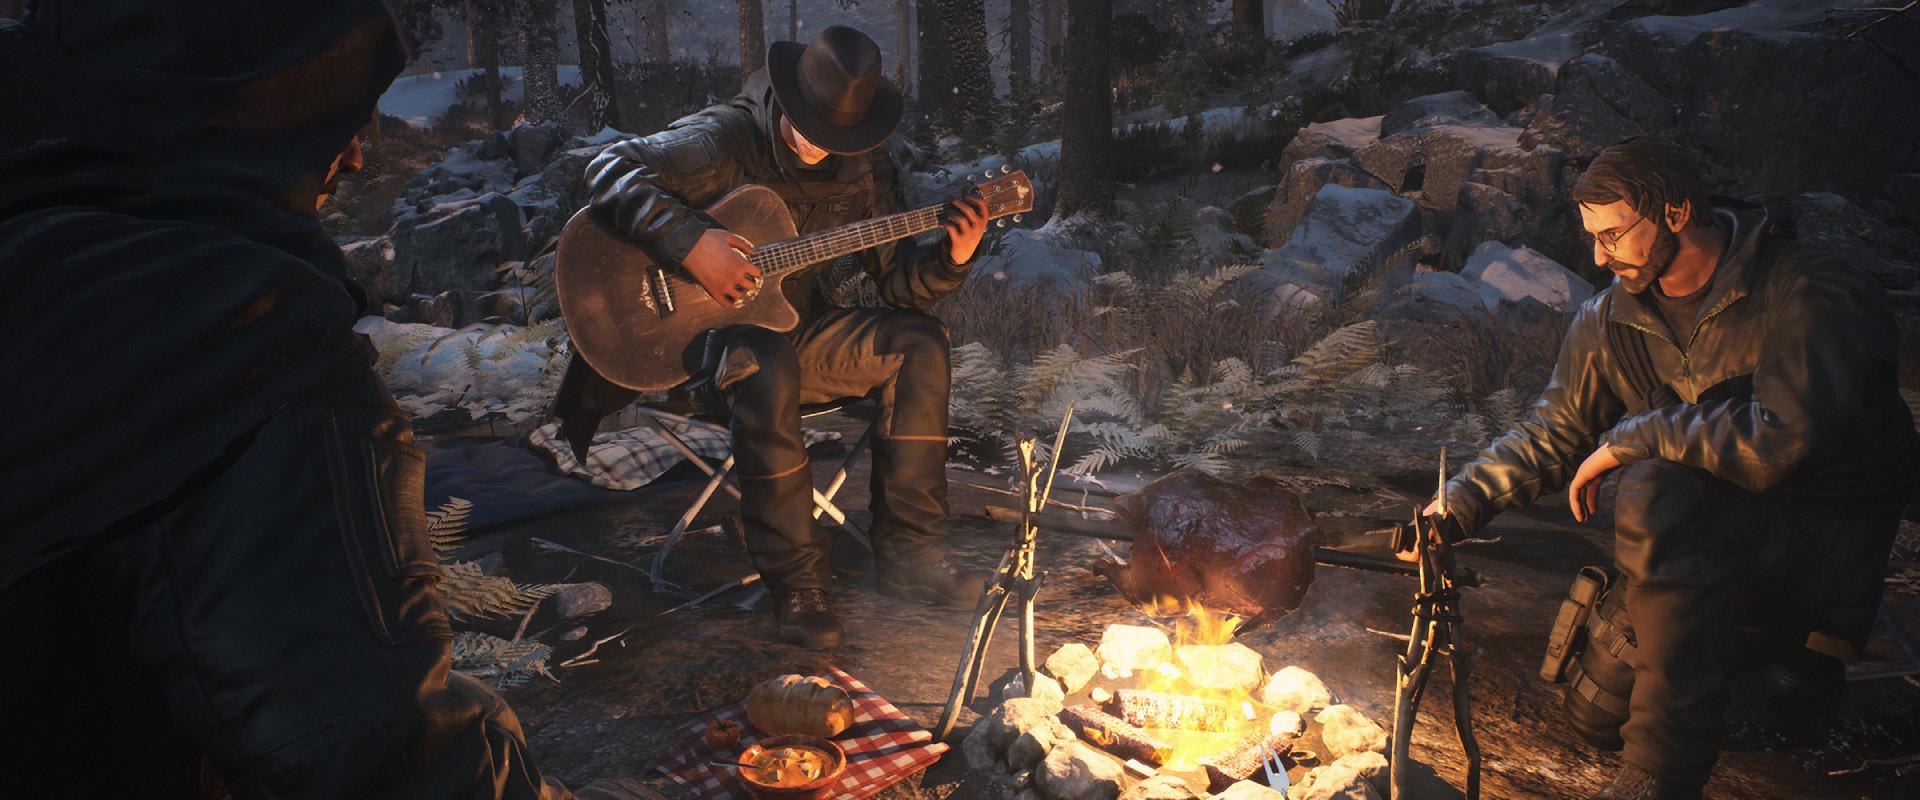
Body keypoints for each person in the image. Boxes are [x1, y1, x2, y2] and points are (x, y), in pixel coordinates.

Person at [0, 3, 640, 797]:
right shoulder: (232, 334)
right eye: (336, 116)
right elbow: (381, 751)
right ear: (258, 107)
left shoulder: (39, 228)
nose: (359, 159)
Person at [1416, 138, 1918, 800]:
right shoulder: (1610, 319)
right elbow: (1553, 430)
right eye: (1591, 235)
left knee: (1654, 480)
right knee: (1595, 714)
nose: (1598, 255)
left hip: (1812, 553)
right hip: (1691, 550)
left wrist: (1638, 434)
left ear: (1678, 213)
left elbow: (1781, 442)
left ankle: (1662, 777)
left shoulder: (1811, 290)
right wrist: (1455, 507)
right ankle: (1750, 672)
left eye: (1615, 233)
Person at [553, 25, 992, 649]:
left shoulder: (862, 165)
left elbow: (898, 282)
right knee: (765, 360)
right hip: (700, 349)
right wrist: (693, 244)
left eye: (839, 133)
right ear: (787, 97)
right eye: (811, 123)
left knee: (920, 342)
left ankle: (913, 560)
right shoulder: (721, 141)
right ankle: (800, 586)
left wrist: (953, 256)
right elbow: (608, 167)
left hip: (793, 325)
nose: (822, 143)